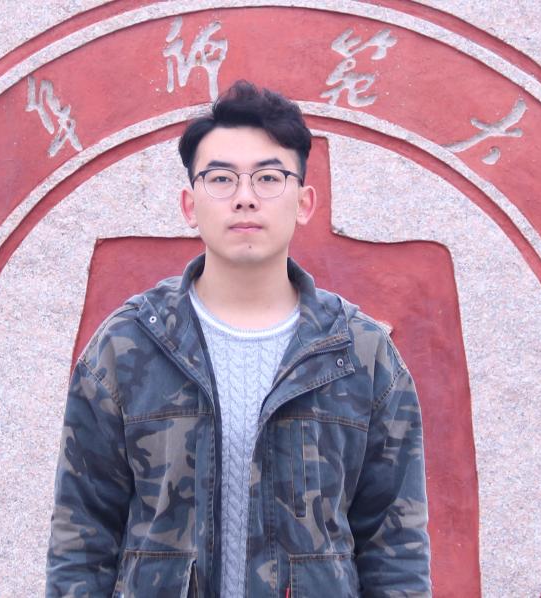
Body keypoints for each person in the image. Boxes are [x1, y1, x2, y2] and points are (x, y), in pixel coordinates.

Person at [46, 80, 431, 597]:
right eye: (221, 179)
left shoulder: (358, 353)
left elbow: (395, 547)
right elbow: (81, 538)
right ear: (190, 204)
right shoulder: (128, 345)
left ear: (304, 202)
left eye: (269, 178)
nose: (245, 198)